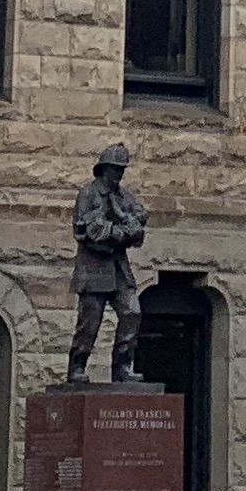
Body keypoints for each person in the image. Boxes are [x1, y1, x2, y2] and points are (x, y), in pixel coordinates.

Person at [66, 143, 147, 383]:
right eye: (115, 170)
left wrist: (130, 224)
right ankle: (77, 367)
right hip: (94, 268)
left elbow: (140, 215)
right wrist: (122, 231)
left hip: (118, 267)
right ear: (104, 169)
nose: (119, 175)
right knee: (89, 324)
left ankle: (122, 367)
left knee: (132, 311)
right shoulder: (89, 194)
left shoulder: (123, 196)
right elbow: (91, 230)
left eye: (122, 171)